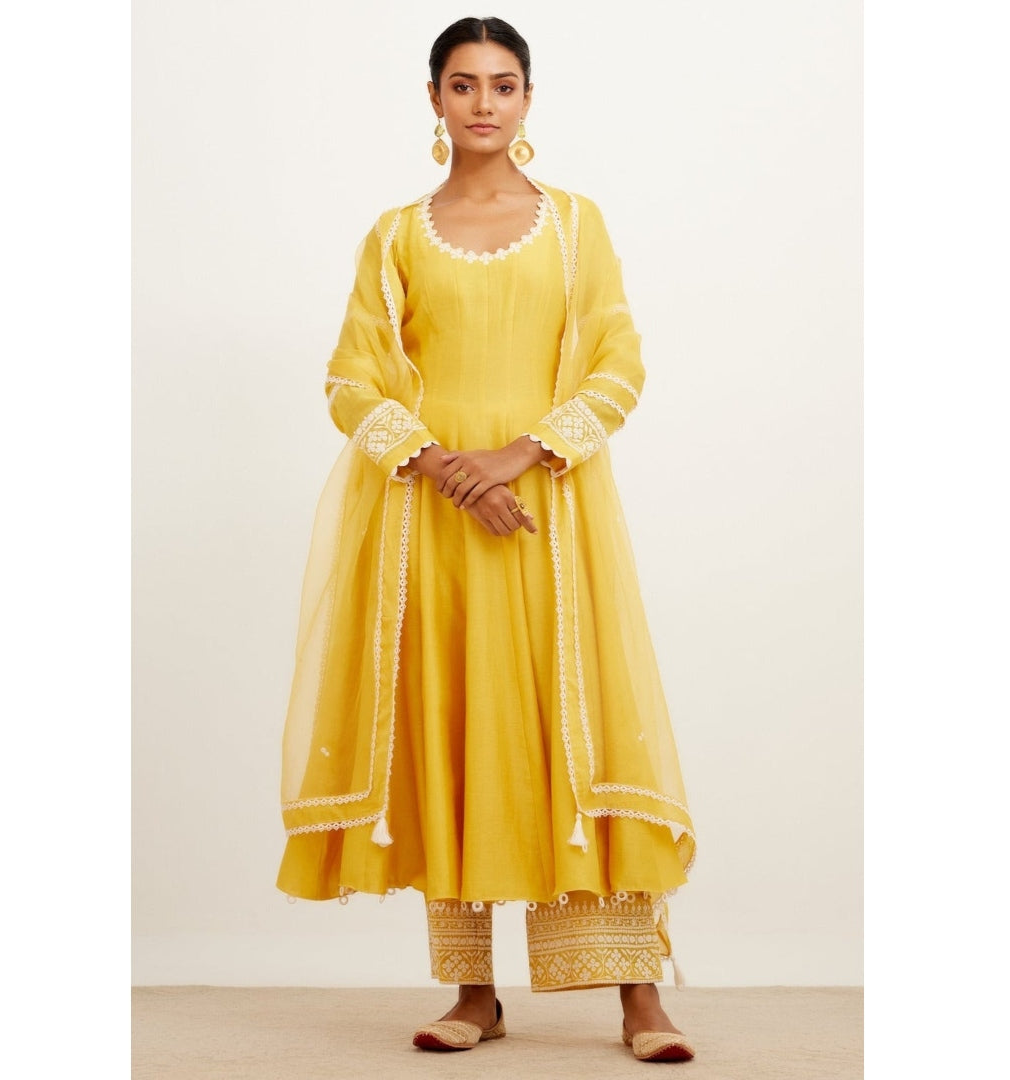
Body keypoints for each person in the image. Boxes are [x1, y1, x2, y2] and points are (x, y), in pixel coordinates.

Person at [277, 15, 698, 1062]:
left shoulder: (574, 225)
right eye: (462, 85)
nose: (482, 103)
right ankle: (474, 993)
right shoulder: (394, 236)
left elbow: (618, 363)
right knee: (454, 727)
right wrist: (443, 469)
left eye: (502, 85)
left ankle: (639, 997)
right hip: (432, 528)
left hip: (550, 518)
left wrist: (515, 457)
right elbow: (351, 380)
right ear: (433, 99)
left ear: (527, 100)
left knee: (580, 730)